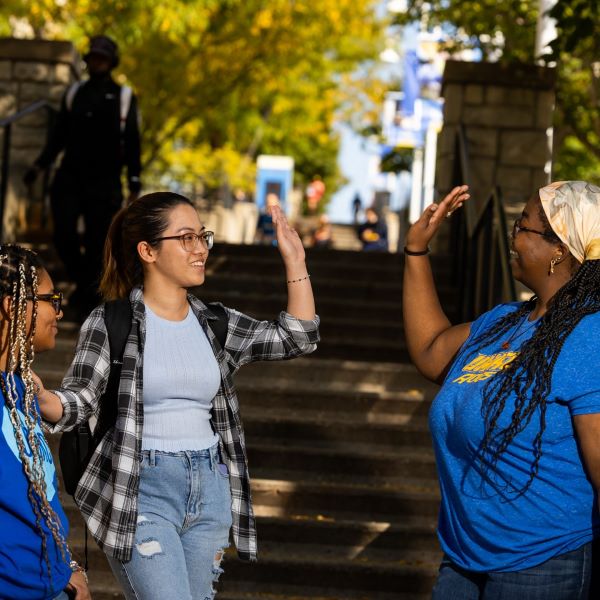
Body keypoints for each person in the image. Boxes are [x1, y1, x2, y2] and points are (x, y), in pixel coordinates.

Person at [33, 192, 319, 600]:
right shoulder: (111, 322)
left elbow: (298, 337)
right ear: (147, 250)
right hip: (141, 487)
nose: (200, 248)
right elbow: (82, 398)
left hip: (210, 487)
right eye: (186, 238)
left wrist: (296, 260)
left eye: (202, 236)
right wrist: (47, 400)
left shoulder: (215, 323)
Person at [403, 181, 600, 599]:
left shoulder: (589, 337)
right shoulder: (504, 320)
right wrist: (417, 252)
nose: (512, 236)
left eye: (522, 226)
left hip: (545, 561)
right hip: (464, 554)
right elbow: (429, 351)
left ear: (559, 249)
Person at [23, 35, 142, 317]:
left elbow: (133, 142)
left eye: (103, 57)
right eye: (93, 57)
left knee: (96, 241)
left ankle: (86, 300)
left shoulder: (124, 97)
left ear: (111, 62)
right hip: (70, 177)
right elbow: (59, 136)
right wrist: (39, 165)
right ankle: (83, 287)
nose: (97, 61)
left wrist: (134, 180)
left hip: (106, 182)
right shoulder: (74, 93)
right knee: (62, 233)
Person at [0, 245, 91, 600]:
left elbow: (40, 499)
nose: (60, 309)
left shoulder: (19, 390)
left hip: (47, 584)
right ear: (13, 306)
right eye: (51, 298)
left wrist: (63, 566)